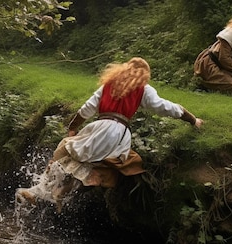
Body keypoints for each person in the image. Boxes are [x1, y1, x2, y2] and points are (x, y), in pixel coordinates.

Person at [16, 57, 203, 211]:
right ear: (144, 75)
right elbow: (165, 107)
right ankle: (54, 192)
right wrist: (192, 119)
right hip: (117, 134)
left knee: (72, 159)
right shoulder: (143, 89)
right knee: (101, 165)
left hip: (97, 128)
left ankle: (43, 191)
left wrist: (72, 128)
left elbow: (85, 109)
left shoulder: (108, 86)